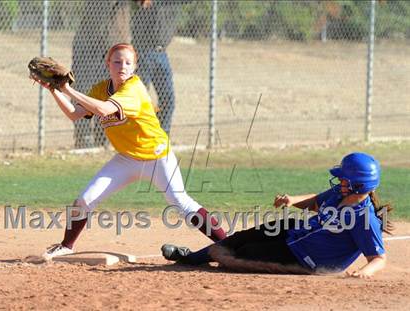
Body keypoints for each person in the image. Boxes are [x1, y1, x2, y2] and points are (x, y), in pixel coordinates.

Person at [30, 43, 226, 260]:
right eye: (117, 61)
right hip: (126, 159)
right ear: (108, 64)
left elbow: (104, 109)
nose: (122, 66)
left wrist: (67, 89)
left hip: (157, 157)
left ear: (134, 67)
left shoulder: (134, 89)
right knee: (85, 200)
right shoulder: (100, 89)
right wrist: (54, 90)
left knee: (181, 203)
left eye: (128, 62)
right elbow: (75, 114)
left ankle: (228, 244)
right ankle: (66, 245)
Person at [162, 152, 393, 278]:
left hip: (307, 259)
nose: (339, 180)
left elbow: (378, 258)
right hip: (298, 232)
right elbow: (314, 202)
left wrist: (364, 273)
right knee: (243, 237)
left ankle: (216, 260)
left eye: (344, 178)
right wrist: (292, 200)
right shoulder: (338, 193)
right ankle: (192, 257)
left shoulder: (364, 219)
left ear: (358, 186)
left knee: (245, 253)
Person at [131, 0, 182, 135]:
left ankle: (161, 135)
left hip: (161, 52)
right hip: (142, 50)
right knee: (141, 98)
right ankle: (138, 134)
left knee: (168, 99)